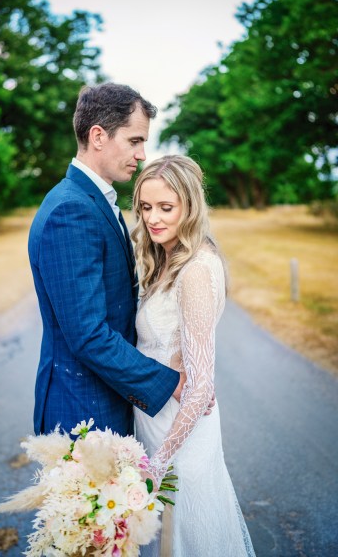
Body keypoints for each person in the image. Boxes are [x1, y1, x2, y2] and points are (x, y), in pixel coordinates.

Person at [28, 83, 193, 438]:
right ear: (98, 136)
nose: (142, 154)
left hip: (103, 399)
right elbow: (88, 334)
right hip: (83, 412)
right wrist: (167, 383)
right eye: (134, 141)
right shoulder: (72, 210)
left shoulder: (94, 200)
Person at [132, 155, 256, 556]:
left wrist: (161, 462)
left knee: (186, 542)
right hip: (155, 420)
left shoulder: (197, 270)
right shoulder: (167, 256)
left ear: (190, 206)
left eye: (166, 208)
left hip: (178, 439)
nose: (153, 218)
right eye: (146, 207)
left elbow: (201, 387)